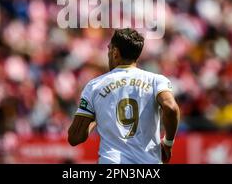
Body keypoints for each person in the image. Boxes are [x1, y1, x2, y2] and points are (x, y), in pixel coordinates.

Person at [67, 28, 180, 164]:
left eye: (109, 49)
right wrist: (168, 143)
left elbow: (75, 138)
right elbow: (171, 108)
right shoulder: (156, 80)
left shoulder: (94, 86)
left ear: (115, 52)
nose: (108, 53)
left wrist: (96, 117)